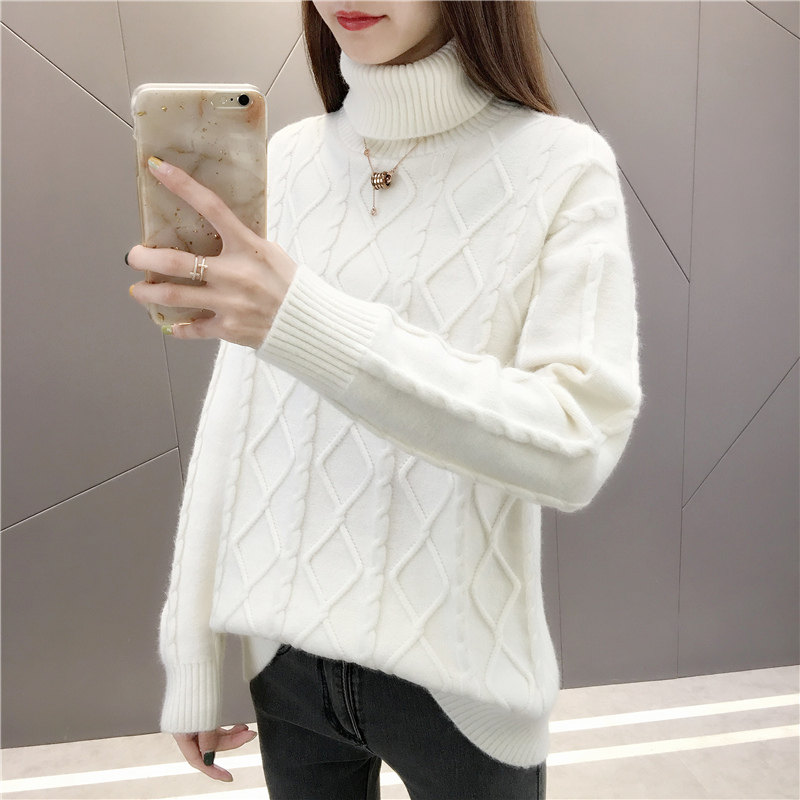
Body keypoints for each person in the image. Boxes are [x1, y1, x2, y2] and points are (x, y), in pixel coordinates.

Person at [126, 1, 643, 797]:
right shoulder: (287, 160)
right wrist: (193, 656)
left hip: (464, 682)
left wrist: (304, 320)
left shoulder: (563, 167)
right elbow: (235, 426)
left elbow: (576, 445)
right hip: (285, 666)